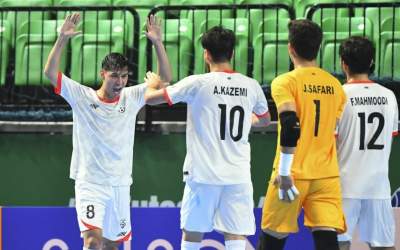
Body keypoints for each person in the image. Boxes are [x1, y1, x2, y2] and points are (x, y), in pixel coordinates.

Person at [44, 13, 171, 250]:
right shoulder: (82, 96)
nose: (120, 82)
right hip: (90, 182)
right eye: (114, 76)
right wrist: (62, 38)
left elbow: (165, 79)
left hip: (120, 184)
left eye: (124, 76)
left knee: (113, 245)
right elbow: (50, 73)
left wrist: (158, 42)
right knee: (92, 242)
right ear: (103, 74)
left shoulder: (131, 97)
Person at [144, 26, 271, 250]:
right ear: (232, 54)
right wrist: (245, 122)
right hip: (237, 175)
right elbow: (264, 120)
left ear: (206, 54)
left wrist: (153, 85)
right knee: (235, 235)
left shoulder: (197, 83)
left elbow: (152, 100)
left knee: (192, 233)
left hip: (203, 174)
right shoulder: (251, 86)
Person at [257, 19, 347, 250]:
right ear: (318, 47)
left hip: (292, 175)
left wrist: (285, 171)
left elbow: (290, 125)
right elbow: (332, 128)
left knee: (272, 238)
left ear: (291, 48)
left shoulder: (284, 82)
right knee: (326, 239)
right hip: (325, 175)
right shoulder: (336, 85)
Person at [336, 36, 398, 250]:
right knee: (383, 246)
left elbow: (331, 143)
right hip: (378, 185)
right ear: (372, 61)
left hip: (344, 184)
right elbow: (390, 136)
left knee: (338, 245)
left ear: (343, 63)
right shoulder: (389, 96)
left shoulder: (339, 96)